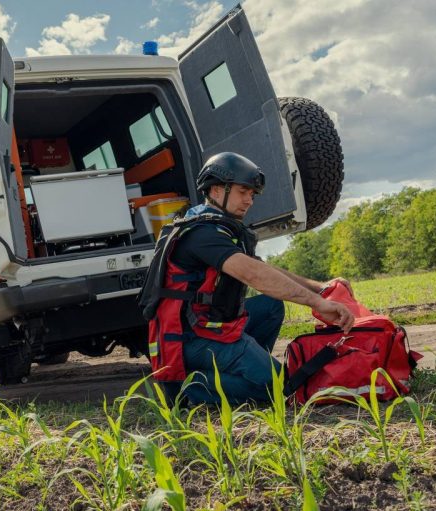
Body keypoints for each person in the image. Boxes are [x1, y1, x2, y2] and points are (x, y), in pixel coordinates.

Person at [140, 152, 355, 405]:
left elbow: (260, 267)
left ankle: (242, 370)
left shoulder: (218, 226)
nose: (249, 200)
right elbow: (253, 274)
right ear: (217, 190)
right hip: (188, 338)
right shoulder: (201, 233)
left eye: (252, 194)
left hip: (208, 326)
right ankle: (189, 389)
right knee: (280, 388)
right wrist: (316, 303)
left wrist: (320, 288)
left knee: (270, 307)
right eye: (243, 192)